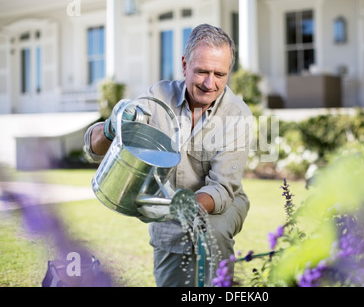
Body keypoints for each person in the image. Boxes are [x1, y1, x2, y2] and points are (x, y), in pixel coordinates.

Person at [84, 24, 253, 287]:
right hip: (168, 207)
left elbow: (221, 188)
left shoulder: (237, 115)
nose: (211, 84)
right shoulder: (157, 98)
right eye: (201, 72)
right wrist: (111, 125)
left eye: (220, 74)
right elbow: (94, 150)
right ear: (184, 65)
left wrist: (185, 206)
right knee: (171, 279)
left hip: (220, 204)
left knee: (213, 232)